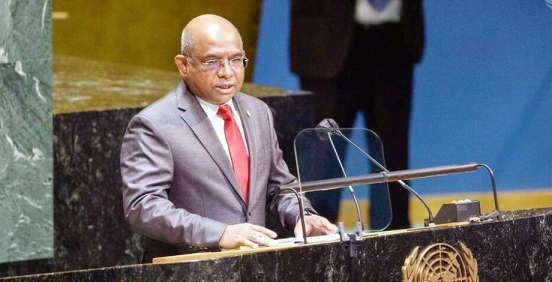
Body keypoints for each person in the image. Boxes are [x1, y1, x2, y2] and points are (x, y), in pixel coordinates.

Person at [120, 14, 337, 263]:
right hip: (187, 278)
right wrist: (220, 233)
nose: (226, 72)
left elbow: (277, 187)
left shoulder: (258, 112)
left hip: (255, 271)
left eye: (236, 60)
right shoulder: (154, 124)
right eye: (212, 62)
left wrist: (302, 216)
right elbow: (143, 207)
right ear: (183, 65)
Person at [290, 0, 424, 229]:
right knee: (324, 157)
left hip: (395, 42)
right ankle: (317, 244)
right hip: (326, 42)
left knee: (392, 157)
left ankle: (394, 247)